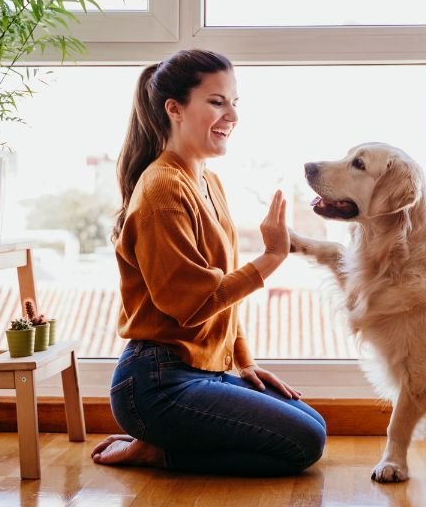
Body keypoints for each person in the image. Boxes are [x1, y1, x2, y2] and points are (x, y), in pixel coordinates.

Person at [91, 49, 327, 475]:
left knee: (313, 424)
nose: (232, 115)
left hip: (202, 371)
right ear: (174, 109)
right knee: (304, 443)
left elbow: (222, 299)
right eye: (217, 102)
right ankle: (157, 450)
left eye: (235, 102)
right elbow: (192, 305)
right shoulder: (162, 190)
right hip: (155, 383)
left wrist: (244, 361)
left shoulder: (206, 180)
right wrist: (273, 256)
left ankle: (163, 444)